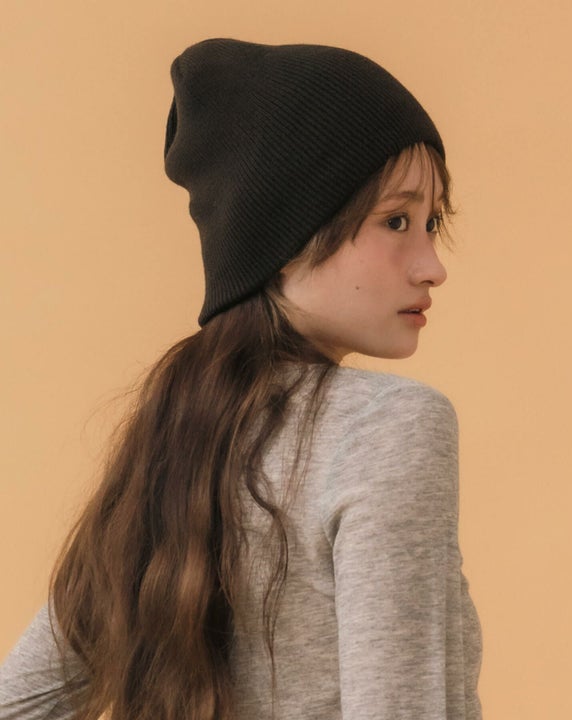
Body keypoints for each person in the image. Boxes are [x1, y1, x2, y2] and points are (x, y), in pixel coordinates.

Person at [0, 38, 483, 720]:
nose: (433, 266)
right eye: (395, 221)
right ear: (282, 236)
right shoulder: (391, 425)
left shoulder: (177, 432)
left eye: (432, 223)